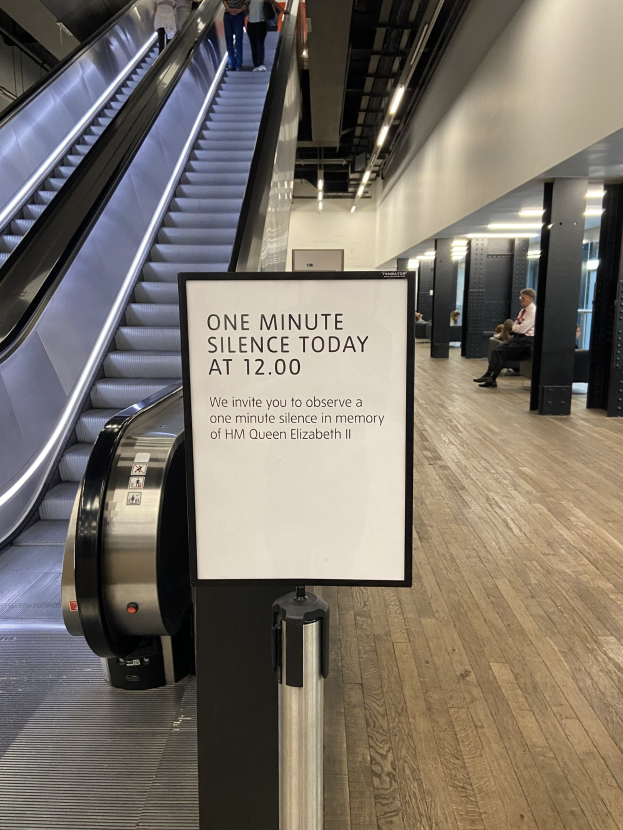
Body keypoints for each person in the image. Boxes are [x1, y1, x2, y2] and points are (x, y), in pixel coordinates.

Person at [473, 288, 536, 388]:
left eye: (523, 298)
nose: (521, 300)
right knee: (496, 351)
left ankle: (491, 379)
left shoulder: (532, 312)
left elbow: (522, 329)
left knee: (503, 354)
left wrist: (516, 328)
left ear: (531, 299)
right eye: (521, 297)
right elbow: (515, 325)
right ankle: (489, 375)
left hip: (525, 341)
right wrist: (516, 328)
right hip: (517, 338)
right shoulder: (523, 311)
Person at [246, 0, 288, 71]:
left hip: (261, 23)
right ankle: (256, 65)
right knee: (253, 44)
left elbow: (273, 2)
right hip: (250, 23)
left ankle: (260, 64)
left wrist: (282, 10)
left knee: (260, 43)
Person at [223, 0, 248, 71]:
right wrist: (228, 9)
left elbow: (247, 2)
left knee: (238, 40)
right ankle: (231, 63)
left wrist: (239, 10)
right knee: (229, 39)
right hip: (228, 14)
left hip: (239, 14)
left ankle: (238, 64)